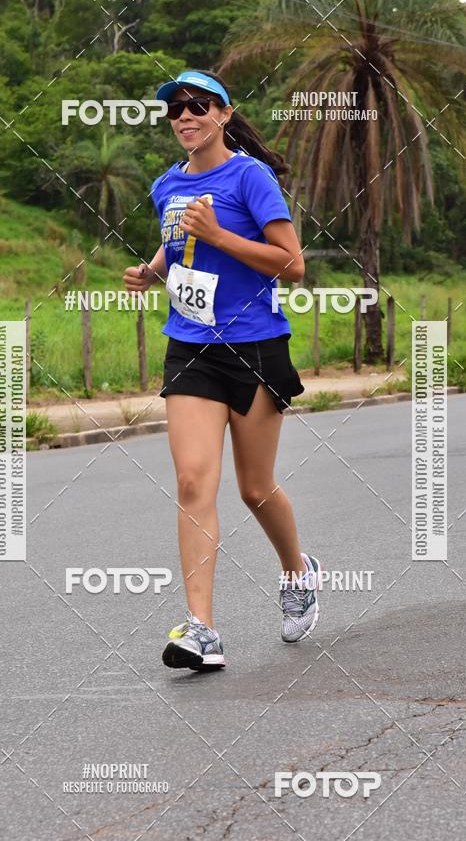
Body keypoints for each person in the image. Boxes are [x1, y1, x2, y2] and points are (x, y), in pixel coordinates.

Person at [123, 69, 322, 671]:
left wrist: (219, 234)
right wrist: (151, 272)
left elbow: (292, 264)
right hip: (190, 349)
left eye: (198, 106)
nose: (185, 116)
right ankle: (201, 629)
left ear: (225, 113)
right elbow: (177, 243)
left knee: (254, 487)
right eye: (175, 109)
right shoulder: (165, 184)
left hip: (255, 347)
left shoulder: (250, 177)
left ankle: (297, 572)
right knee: (191, 482)